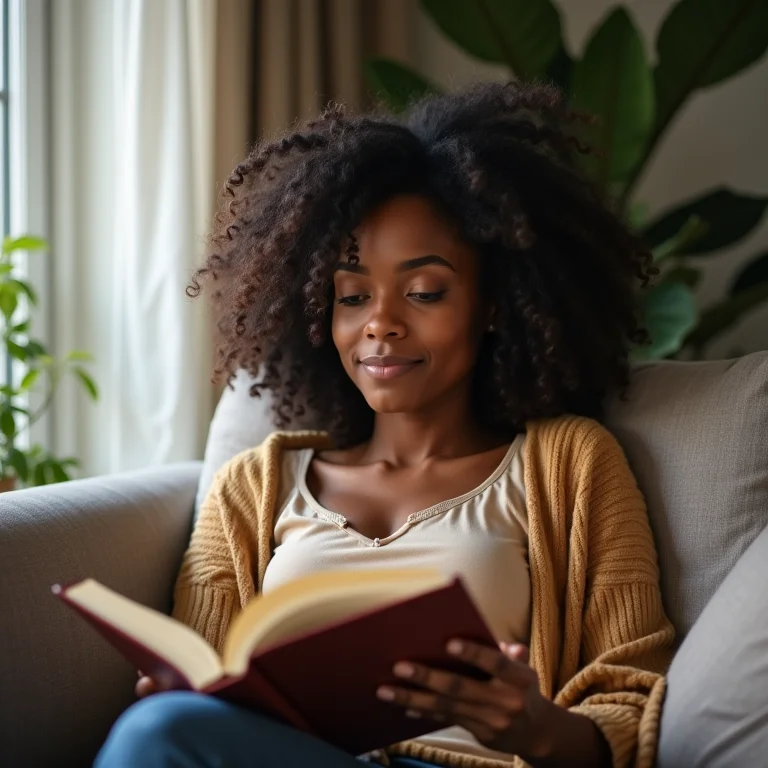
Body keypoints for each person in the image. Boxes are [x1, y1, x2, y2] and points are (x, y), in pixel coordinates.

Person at [94, 80, 675, 768]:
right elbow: (209, 684)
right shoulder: (250, 489)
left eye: (424, 291)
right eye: (351, 295)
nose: (381, 323)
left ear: (494, 305)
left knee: (155, 735)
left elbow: (630, 701)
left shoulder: (572, 465)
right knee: (161, 726)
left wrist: (532, 726)